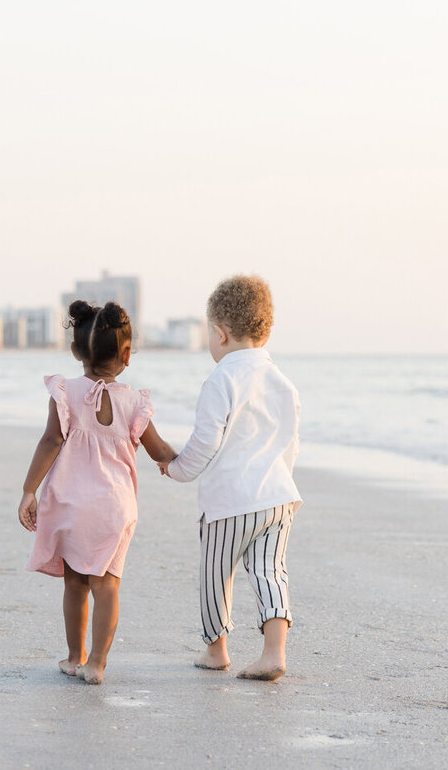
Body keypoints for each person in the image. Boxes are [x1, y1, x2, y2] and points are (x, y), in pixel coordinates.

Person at [18, 300, 177, 684]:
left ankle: (75, 657)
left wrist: (28, 490)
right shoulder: (134, 402)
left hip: (70, 504)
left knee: (75, 583)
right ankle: (98, 665)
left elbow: (52, 440)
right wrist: (191, 460)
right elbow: (160, 452)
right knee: (107, 586)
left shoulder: (64, 392)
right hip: (114, 509)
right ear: (126, 354)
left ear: (76, 351)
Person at [161, 275, 301, 682]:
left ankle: (215, 650)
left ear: (219, 334)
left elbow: (204, 443)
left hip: (228, 504)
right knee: (271, 572)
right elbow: (291, 444)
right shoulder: (283, 382)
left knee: (215, 573)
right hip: (278, 499)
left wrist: (176, 468)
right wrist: (279, 481)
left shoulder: (221, 380)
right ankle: (274, 652)